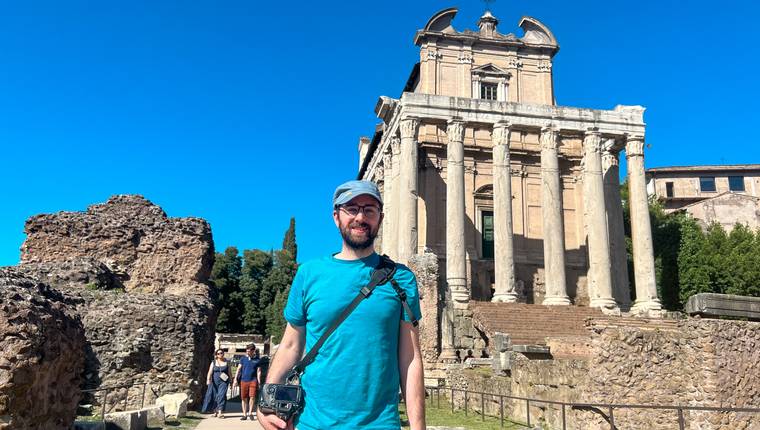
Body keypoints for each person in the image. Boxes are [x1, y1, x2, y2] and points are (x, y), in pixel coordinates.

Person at [258, 180, 426, 430]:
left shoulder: (401, 278)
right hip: (312, 422)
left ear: (380, 217)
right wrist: (267, 403)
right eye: (351, 209)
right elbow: (291, 345)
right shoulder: (309, 274)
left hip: (379, 424)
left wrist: (418, 427)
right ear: (337, 217)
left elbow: (410, 358)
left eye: (369, 210)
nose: (360, 217)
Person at [233, 344, 262, 421]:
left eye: (249, 351)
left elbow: (258, 372)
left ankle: (250, 413)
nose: (247, 352)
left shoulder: (257, 360)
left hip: (253, 380)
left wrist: (259, 382)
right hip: (243, 380)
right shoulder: (243, 359)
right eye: (247, 350)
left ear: (253, 351)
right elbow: (238, 369)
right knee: (244, 398)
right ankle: (244, 414)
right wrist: (235, 379)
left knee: (252, 397)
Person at [201, 349, 231, 418]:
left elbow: (229, 372)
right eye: (218, 353)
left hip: (224, 382)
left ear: (223, 354)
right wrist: (208, 379)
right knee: (214, 396)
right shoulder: (213, 362)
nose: (220, 354)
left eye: (221, 353)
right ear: (216, 355)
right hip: (214, 382)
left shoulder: (227, 362)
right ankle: (215, 411)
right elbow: (210, 372)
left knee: (221, 395)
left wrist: (231, 381)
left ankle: (220, 412)